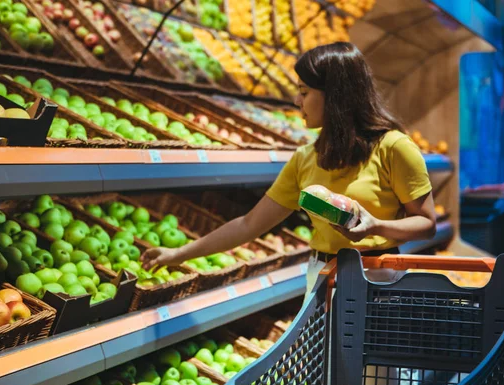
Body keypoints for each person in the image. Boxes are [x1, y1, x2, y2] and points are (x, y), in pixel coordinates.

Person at [141, 41, 436, 296]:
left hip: (380, 276)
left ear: (335, 95)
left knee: (374, 363)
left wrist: (377, 226)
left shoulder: (394, 147)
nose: (297, 101)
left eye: (304, 92)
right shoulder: (305, 158)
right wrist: (178, 254)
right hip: (322, 277)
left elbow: (426, 223)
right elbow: (249, 225)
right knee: (327, 362)